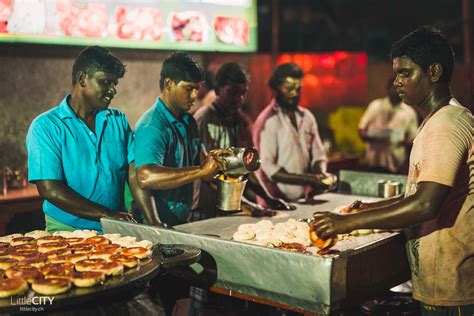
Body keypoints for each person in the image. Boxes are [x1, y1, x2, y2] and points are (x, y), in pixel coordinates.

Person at [312, 26, 473, 315]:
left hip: (454, 290)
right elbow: (417, 193)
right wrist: (364, 210)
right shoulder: (435, 120)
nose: (397, 81)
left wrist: (346, 224)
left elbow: (425, 205)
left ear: (434, 72)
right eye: (397, 73)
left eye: (406, 73)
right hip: (439, 283)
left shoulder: (446, 126)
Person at [26, 46, 154, 233]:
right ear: (82, 79)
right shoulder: (46, 126)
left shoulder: (117, 121)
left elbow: (133, 173)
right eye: (105, 82)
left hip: (115, 228)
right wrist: (109, 214)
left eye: (115, 84)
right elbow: (50, 189)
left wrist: (150, 219)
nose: (113, 90)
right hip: (68, 231)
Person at [134, 52, 228, 227]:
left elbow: (204, 166)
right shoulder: (152, 126)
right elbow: (146, 177)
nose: (194, 96)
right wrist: (200, 171)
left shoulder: (188, 121)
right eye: (188, 88)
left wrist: (218, 165)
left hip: (181, 222)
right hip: (152, 225)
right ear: (169, 84)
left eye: (197, 89)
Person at [193, 62, 294, 219]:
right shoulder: (203, 119)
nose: (238, 99)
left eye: (242, 93)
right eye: (232, 93)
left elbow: (247, 167)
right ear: (218, 90)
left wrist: (269, 199)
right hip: (205, 209)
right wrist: (245, 203)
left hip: (233, 208)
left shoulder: (242, 121)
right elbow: (209, 173)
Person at [253, 62, 334, 204]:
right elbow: (267, 167)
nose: (295, 93)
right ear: (277, 88)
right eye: (289, 88)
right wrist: (308, 179)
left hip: (303, 200)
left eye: (298, 89)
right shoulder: (268, 121)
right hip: (275, 201)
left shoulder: (307, 116)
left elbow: (318, 154)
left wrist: (321, 174)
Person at [359, 74, 419, 174]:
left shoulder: (409, 112)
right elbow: (361, 129)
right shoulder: (375, 106)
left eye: (402, 87)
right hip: (373, 161)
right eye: (395, 87)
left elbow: (413, 140)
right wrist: (369, 136)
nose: (397, 90)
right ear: (388, 88)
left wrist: (400, 139)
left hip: (395, 164)